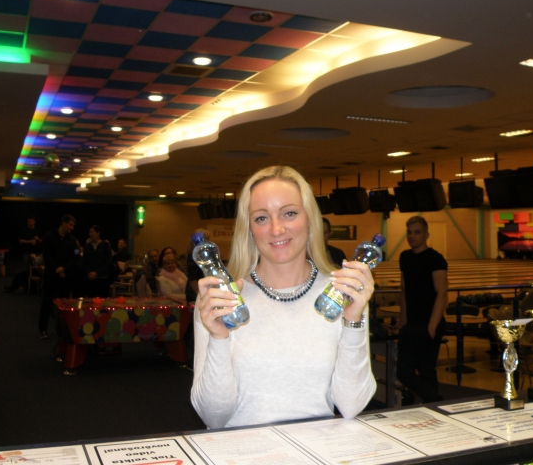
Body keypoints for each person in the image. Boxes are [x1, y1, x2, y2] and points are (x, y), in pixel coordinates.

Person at [191, 166, 376, 428]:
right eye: (261, 218)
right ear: (249, 229)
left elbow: (351, 405)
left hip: (316, 447)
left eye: (289, 213)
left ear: (310, 220)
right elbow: (213, 417)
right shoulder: (222, 299)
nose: (276, 229)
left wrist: (353, 322)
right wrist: (219, 338)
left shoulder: (341, 294)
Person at [396, 215, 449, 404]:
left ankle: (435, 406)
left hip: (429, 323)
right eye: (409, 232)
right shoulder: (405, 257)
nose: (412, 236)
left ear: (426, 234)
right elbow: (404, 289)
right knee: (403, 371)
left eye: (417, 232)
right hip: (411, 324)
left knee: (427, 370)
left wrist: (432, 326)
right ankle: (437, 400)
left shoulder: (436, 259)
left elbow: (442, 293)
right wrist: (403, 320)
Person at [37, 215, 79, 339]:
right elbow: (46, 255)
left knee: (64, 304)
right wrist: (56, 268)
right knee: (47, 303)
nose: (72, 228)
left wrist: (64, 268)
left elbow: (75, 255)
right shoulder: (49, 236)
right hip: (51, 275)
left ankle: (61, 329)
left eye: (73, 225)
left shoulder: (72, 239)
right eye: (70, 225)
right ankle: (42, 329)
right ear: (63, 223)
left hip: (65, 276)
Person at [81, 225, 116, 298]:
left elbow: (108, 261)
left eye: (92, 232)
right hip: (90, 279)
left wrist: (97, 273)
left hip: (102, 278)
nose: (90, 234)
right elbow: (84, 261)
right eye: (89, 232)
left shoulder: (105, 245)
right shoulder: (88, 246)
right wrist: (89, 272)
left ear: (98, 233)